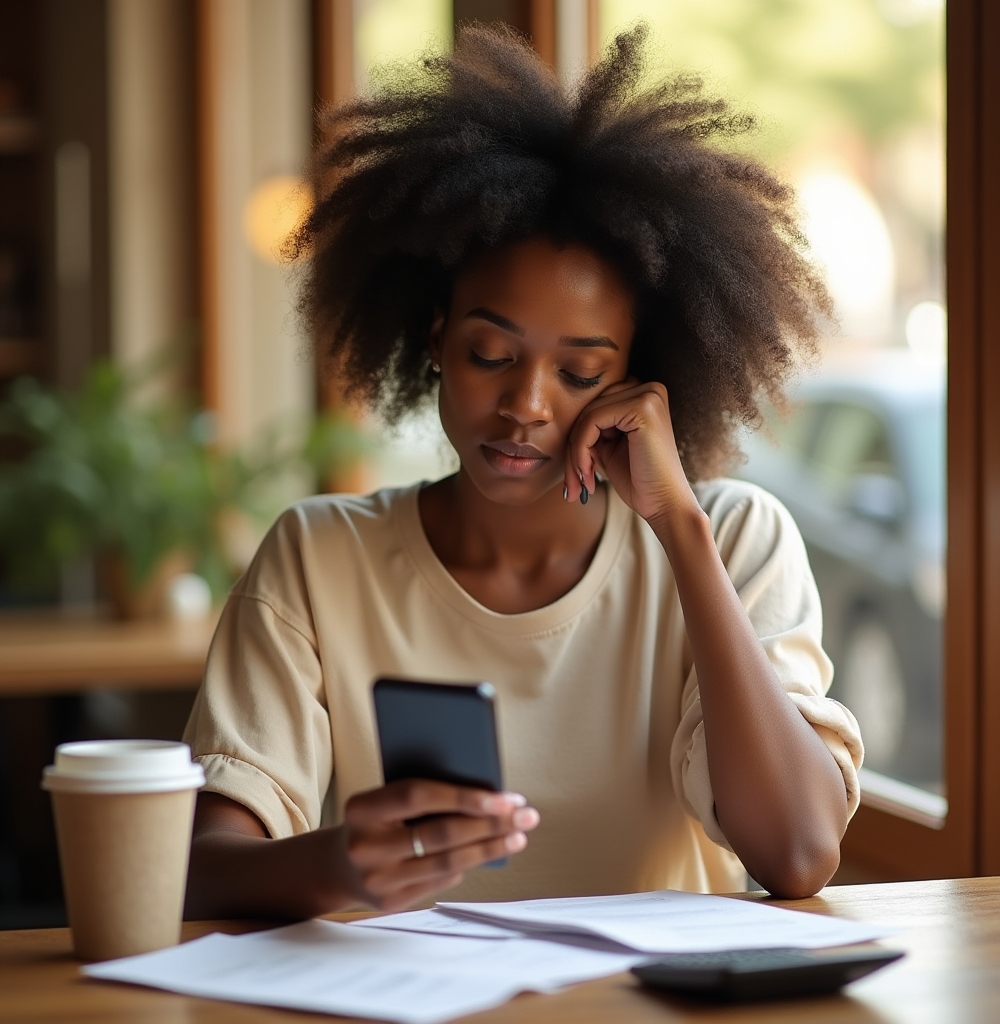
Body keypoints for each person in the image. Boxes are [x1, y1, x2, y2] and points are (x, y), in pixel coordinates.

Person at [182, 23, 863, 921]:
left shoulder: (734, 539)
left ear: (642, 379)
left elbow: (799, 854)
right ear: (434, 340)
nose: (526, 405)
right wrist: (341, 865)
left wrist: (681, 533)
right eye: (489, 353)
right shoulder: (320, 560)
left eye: (579, 373)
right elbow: (198, 865)